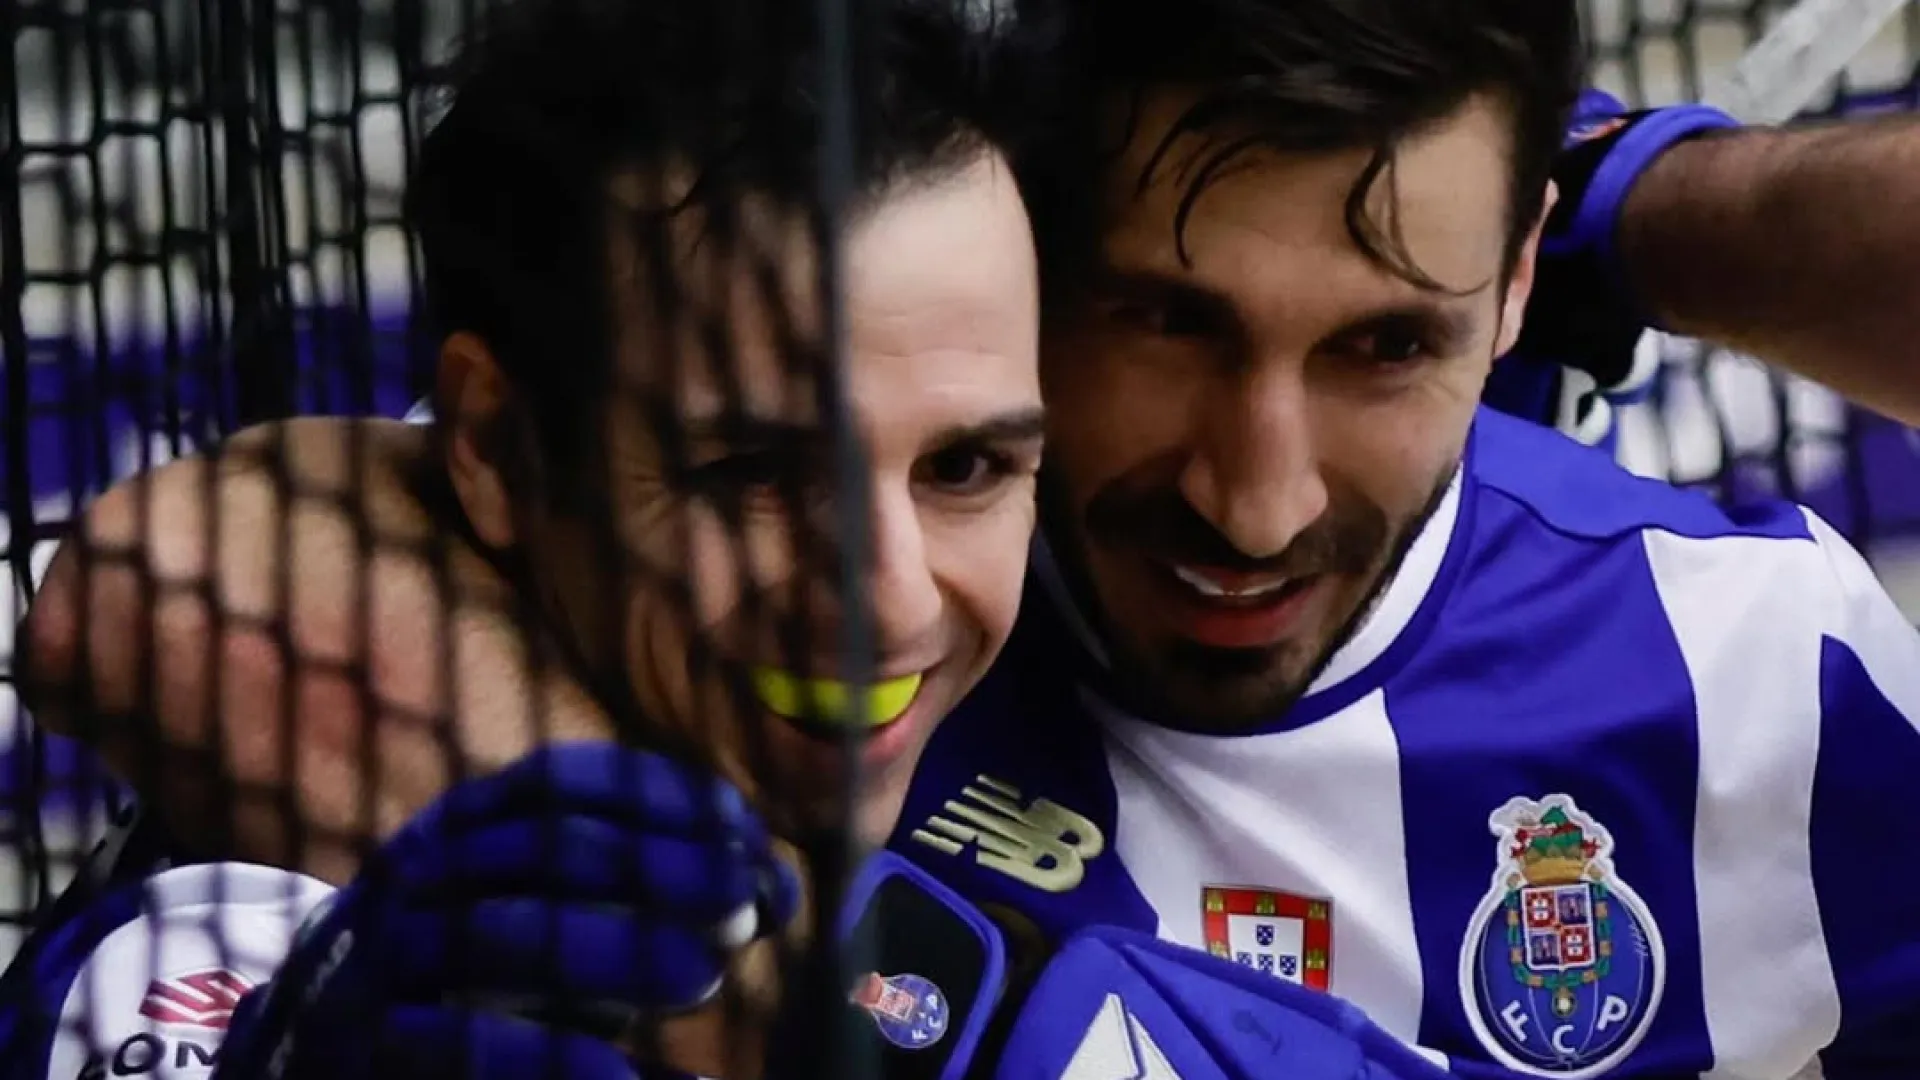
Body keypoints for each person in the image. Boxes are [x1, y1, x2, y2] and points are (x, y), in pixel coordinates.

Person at [18, 0, 1920, 1077]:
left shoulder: (1753, 671)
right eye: (1162, 321)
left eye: (1386, 343)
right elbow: (172, 578)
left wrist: (1654, 203)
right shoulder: (644, 617)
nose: (1256, 498)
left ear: (1511, 289)